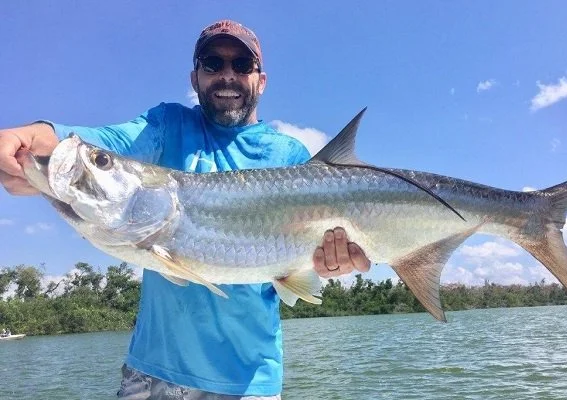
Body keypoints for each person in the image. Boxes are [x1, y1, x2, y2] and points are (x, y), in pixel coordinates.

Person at [0, 20, 371, 399]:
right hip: (150, 374)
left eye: (242, 64)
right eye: (212, 63)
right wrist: (26, 137)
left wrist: (328, 263)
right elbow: (98, 141)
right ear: (195, 77)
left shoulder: (288, 155)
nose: (227, 75)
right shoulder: (167, 125)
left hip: (246, 382)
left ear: (261, 80)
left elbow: (301, 261)